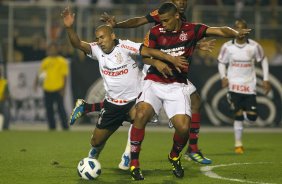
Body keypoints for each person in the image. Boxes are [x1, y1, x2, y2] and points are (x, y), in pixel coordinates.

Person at [70, 0, 216, 168]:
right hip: (154, 65)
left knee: (192, 100)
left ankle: (190, 148)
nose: (181, 3)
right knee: (138, 109)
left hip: (168, 64)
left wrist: (195, 45)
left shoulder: (184, 22)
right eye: (177, 1)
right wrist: (118, 25)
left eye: (184, 1)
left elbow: (176, 44)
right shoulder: (161, 15)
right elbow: (139, 21)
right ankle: (131, 153)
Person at [128, 2, 251, 180]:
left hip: (177, 85)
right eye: (161, 21)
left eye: (166, 20)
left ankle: (174, 155)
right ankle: (134, 163)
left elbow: (219, 30)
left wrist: (235, 33)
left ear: (177, 16)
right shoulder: (156, 32)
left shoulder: (192, 30)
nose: (163, 24)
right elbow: (145, 55)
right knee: (140, 115)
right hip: (154, 82)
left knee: (184, 128)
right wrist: (158, 63)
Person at [217, 19, 271, 154]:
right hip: (234, 86)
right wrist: (223, 77)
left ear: (247, 30)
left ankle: (244, 117)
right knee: (238, 114)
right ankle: (238, 144)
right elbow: (221, 62)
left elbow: (263, 60)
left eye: (243, 28)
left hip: (249, 87)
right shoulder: (227, 47)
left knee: (252, 118)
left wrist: (265, 79)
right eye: (237, 28)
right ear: (233, 30)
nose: (240, 31)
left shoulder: (254, 46)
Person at [34, 43, 69, 130]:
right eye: (51, 49)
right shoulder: (45, 61)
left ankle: (65, 127)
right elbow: (40, 74)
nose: (52, 50)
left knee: (61, 109)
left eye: (54, 49)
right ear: (48, 50)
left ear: (57, 50)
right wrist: (35, 84)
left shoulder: (62, 61)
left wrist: (63, 89)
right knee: (49, 109)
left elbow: (64, 76)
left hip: (58, 88)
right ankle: (52, 127)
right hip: (47, 88)